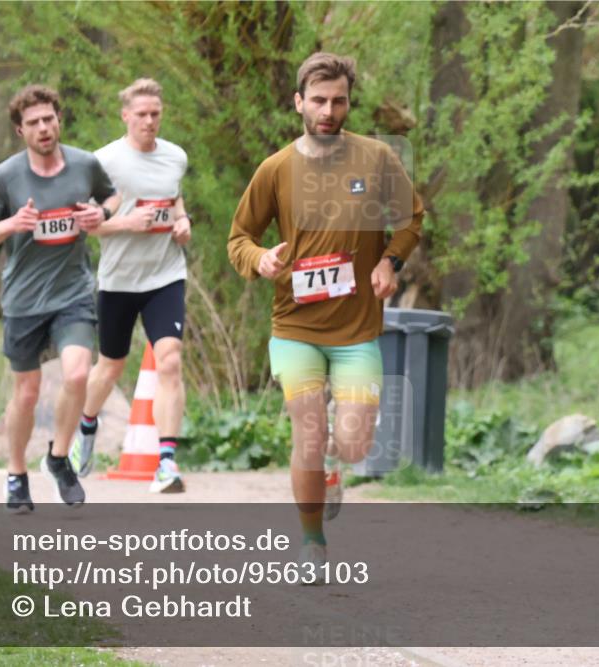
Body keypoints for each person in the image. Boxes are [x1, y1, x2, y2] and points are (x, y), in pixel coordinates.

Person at [227, 53, 423, 574]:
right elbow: (239, 238)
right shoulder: (276, 169)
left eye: (338, 100)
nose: (328, 110)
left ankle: (336, 469)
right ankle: (312, 541)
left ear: (349, 102)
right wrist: (260, 259)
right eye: (318, 100)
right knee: (308, 432)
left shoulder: (377, 158)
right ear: (298, 103)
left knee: (354, 443)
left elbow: (411, 218)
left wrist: (389, 260)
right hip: (295, 327)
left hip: (356, 329)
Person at [0, 85, 116, 511]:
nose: (43, 127)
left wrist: (101, 213)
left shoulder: (85, 164)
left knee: (76, 375)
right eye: (33, 122)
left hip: (72, 293)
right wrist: (13, 223)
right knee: (27, 393)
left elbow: (112, 194)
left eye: (49, 119)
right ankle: (16, 475)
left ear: (59, 120)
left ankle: (58, 457)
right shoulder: (6, 176)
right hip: (23, 300)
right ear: (21, 130)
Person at [70, 78, 191, 493]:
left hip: (166, 275)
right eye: (141, 114)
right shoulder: (102, 162)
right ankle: (85, 427)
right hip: (119, 281)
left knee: (170, 360)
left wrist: (183, 220)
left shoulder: (175, 157)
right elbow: (86, 225)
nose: (149, 121)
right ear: (125, 116)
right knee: (111, 366)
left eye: (155, 113)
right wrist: (127, 223)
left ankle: (167, 463)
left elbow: (174, 198)